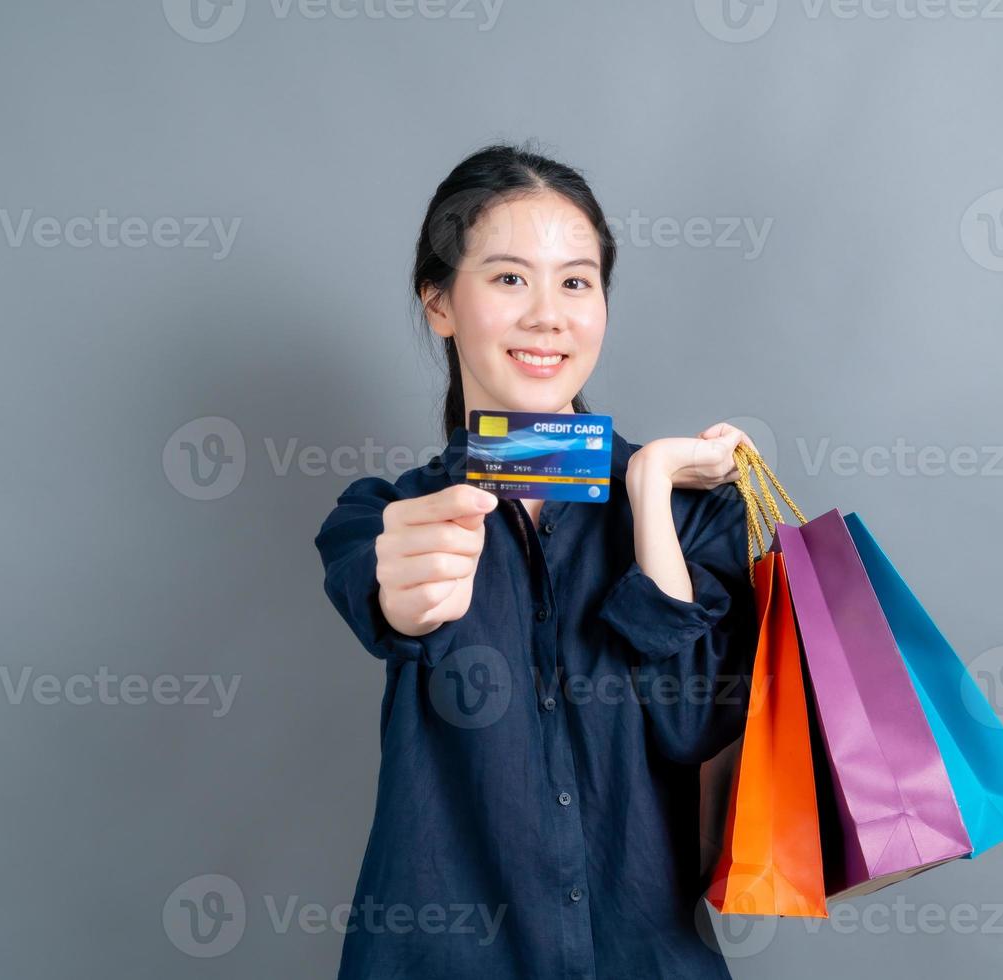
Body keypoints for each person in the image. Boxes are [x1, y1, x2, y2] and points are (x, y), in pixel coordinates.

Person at [314, 142, 761, 979]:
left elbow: (694, 722)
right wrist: (405, 593)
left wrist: (652, 486)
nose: (549, 315)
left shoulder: (693, 508)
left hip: (649, 957)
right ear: (440, 302)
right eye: (510, 278)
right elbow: (390, 597)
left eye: (577, 281)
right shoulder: (382, 515)